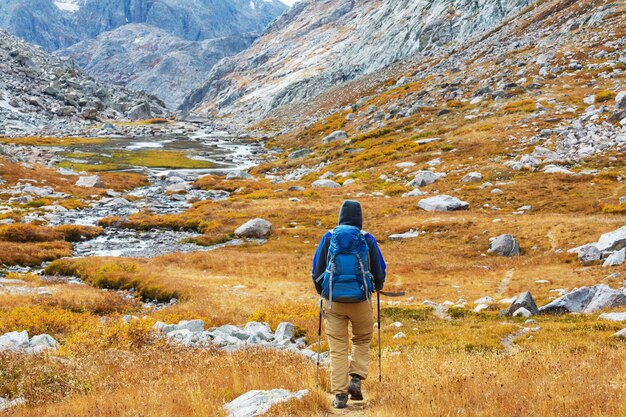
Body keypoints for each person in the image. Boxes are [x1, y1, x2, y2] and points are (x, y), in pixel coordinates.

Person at [311, 200, 386, 409]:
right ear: (359, 219)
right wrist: (376, 287)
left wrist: (323, 293)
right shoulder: (367, 239)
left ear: (340, 217)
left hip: (333, 301)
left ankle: (340, 395)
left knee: (338, 348)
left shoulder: (328, 237)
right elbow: (379, 270)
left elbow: (316, 270)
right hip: (361, 300)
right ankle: (356, 378)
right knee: (361, 340)